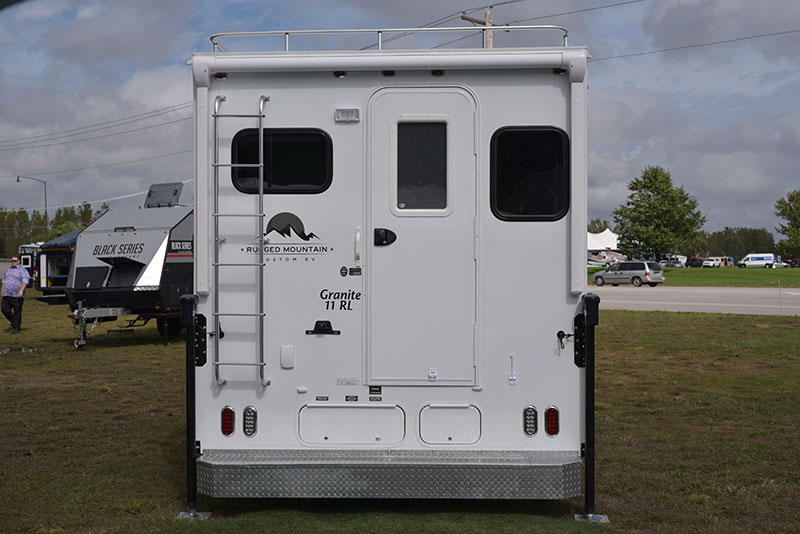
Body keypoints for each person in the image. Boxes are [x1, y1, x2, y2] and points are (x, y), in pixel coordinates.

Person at [2, 256, 30, 334]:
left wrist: (21, 291)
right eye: (12, 261)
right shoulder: (8, 270)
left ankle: (16, 327)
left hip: (17, 295)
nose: (13, 262)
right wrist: (2, 290)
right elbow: (4, 280)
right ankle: (14, 321)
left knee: (17, 311)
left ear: (19, 262)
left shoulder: (22, 270)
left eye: (15, 261)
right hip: (7, 294)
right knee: (4, 309)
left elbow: (25, 281)